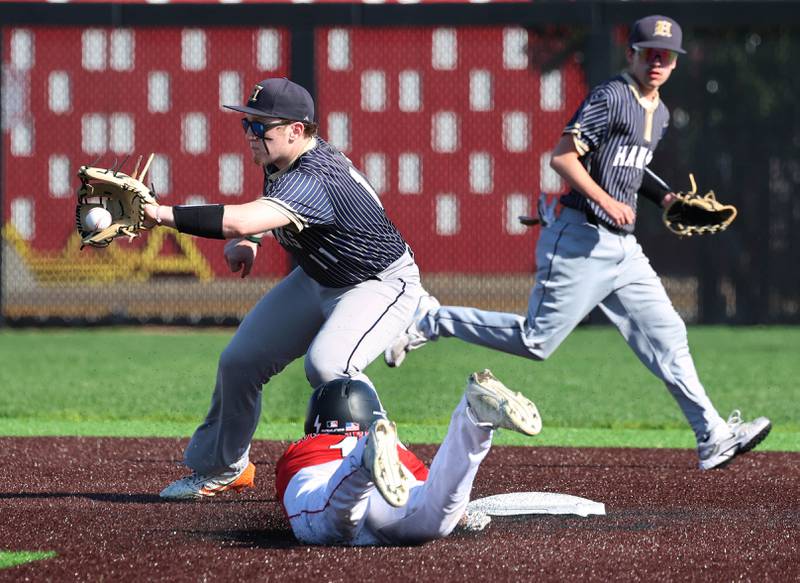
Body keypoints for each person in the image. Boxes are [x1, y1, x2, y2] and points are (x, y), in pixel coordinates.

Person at [384, 15, 771, 470]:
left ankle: (712, 436)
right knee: (536, 341)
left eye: (665, 56)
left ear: (674, 64)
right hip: (580, 238)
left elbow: (631, 166)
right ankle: (433, 319)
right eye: (648, 52)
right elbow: (564, 157)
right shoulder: (611, 96)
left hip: (623, 251)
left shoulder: (659, 112)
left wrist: (665, 198)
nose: (656, 61)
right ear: (632, 53)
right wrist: (608, 200)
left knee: (668, 334)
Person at [147, 77, 426, 499]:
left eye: (261, 126)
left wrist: (160, 213)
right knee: (239, 361)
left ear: (297, 130)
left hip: (380, 284)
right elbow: (261, 216)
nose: (250, 134)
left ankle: (403, 472)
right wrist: (252, 241)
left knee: (329, 367)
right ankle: (224, 468)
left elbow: (240, 219)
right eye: (247, 123)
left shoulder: (315, 176)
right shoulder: (283, 156)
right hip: (319, 277)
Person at [276, 370, 541, 545]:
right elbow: (434, 488)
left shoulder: (300, 448)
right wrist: (459, 515)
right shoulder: (397, 449)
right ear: (372, 418)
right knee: (433, 516)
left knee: (329, 526)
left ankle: (363, 460)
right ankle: (473, 419)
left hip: (323, 478)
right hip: (387, 497)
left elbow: (288, 499)